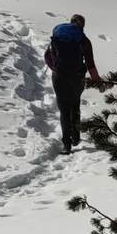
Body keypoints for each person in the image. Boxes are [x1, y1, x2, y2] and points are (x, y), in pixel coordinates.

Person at [44, 13, 108, 150]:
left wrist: (56, 69)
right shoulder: (83, 41)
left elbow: (47, 57)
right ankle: (76, 136)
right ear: (82, 26)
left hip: (59, 77)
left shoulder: (58, 37)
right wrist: (99, 83)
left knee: (64, 109)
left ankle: (66, 144)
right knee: (75, 104)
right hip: (77, 77)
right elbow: (90, 65)